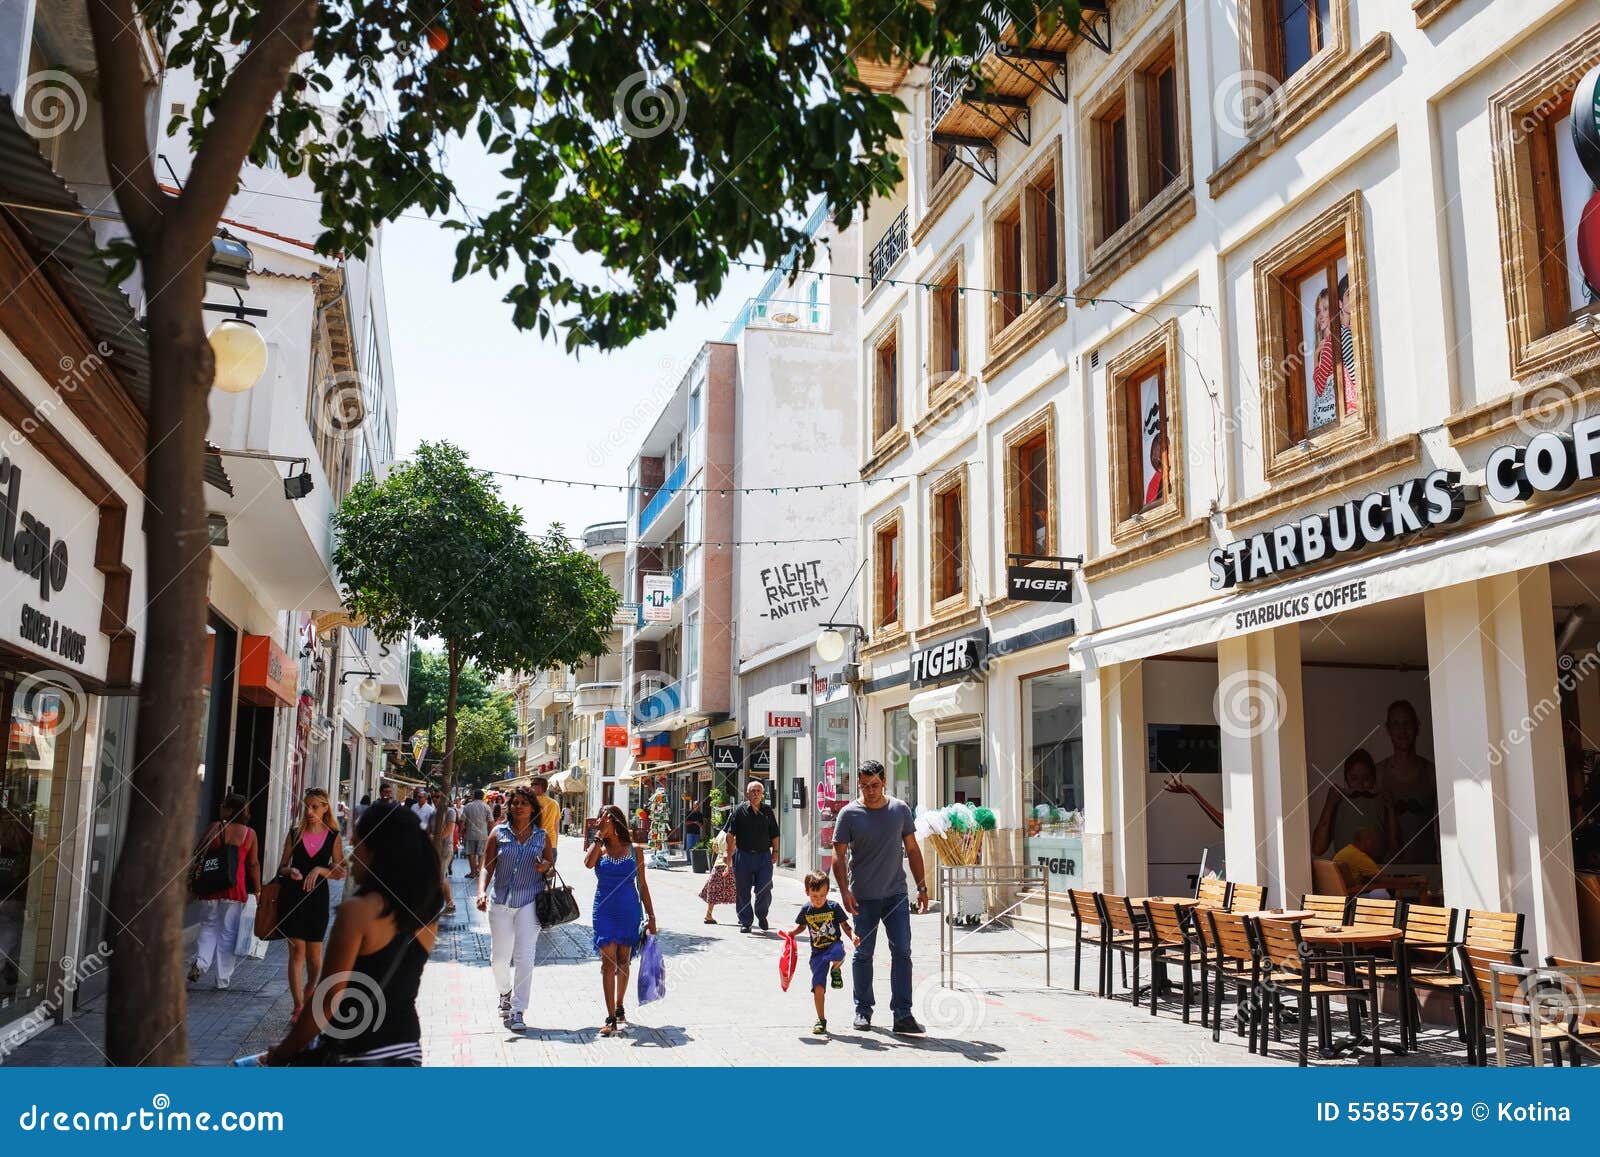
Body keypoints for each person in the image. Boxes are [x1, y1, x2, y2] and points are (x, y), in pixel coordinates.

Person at [262, 801, 444, 1065]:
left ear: (378, 853)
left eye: (357, 845)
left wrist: (282, 1052)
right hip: (407, 1050)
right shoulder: (426, 912)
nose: (351, 855)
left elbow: (327, 999)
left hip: (357, 1052)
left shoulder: (357, 912)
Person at [831, 759, 928, 1035]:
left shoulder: (899, 810)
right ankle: (863, 1011)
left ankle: (903, 1014)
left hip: (896, 895)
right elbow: (838, 855)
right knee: (863, 954)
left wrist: (921, 886)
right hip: (863, 898)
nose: (870, 791)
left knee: (902, 952)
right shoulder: (849, 814)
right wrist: (844, 891)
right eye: (864, 786)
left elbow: (912, 849)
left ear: (884, 781)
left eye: (874, 785)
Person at [476, 786, 550, 1031]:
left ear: (532, 809)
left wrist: (545, 868)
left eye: (523, 803)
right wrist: (481, 892)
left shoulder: (542, 837)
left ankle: (518, 1010)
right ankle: (504, 992)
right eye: (514, 803)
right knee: (499, 959)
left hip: (530, 901)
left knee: (525, 957)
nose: (517, 806)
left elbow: (550, 866)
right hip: (500, 902)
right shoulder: (498, 833)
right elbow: (487, 867)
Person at [273, 788, 346, 1023]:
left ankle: (311, 987)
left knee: (315, 957)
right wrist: (290, 870)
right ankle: (297, 1007)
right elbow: (281, 867)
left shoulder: (333, 835)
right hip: (293, 898)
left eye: (315, 806)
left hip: (317, 899)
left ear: (325, 808)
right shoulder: (294, 834)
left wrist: (320, 869)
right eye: (307, 806)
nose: (309, 811)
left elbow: (340, 871)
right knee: (297, 953)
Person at [586, 804, 657, 1037]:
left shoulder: (634, 849)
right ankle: (609, 1018)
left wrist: (651, 916)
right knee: (607, 963)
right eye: (599, 820)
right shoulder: (598, 849)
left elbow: (643, 885)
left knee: (623, 959)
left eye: (605, 820)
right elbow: (587, 864)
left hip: (629, 909)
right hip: (604, 909)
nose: (600, 823)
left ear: (616, 822)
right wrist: (598, 836)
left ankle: (619, 1005)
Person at [189, 792, 261, 990]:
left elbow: (197, 853)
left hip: (211, 886)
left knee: (208, 925)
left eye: (223, 804)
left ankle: (201, 963)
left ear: (229, 809)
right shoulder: (249, 834)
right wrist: (257, 889)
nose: (220, 806)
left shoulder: (214, 827)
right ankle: (222, 980)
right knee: (228, 933)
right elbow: (253, 864)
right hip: (234, 889)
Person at [785, 870, 860, 1036]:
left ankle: (835, 969)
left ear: (827, 893)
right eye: (814, 896)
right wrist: (793, 933)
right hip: (817, 954)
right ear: (807, 892)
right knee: (818, 987)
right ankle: (821, 1019)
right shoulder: (806, 910)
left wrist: (853, 936)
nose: (818, 900)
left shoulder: (833, 907)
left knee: (839, 952)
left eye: (822, 896)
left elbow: (845, 926)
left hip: (833, 946)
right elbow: (802, 927)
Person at [1375, 699, 1438, 862]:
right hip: (1389, 874)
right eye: (1396, 724)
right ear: (1388, 729)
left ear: (1417, 726)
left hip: (1427, 871)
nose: (1402, 730)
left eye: (1407, 723)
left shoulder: (1432, 772)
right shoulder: (1378, 773)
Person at [1312, 748, 1399, 859]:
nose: (1360, 785)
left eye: (1366, 778)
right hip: (1344, 871)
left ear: (1374, 779)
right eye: (1354, 778)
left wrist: (1390, 808)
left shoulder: (1382, 802)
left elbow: (1396, 850)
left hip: (1375, 870)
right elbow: (1318, 848)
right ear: (1346, 779)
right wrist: (1329, 804)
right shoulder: (1337, 801)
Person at [722, 781, 779, 933]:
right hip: (743, 856)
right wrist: (728, 856)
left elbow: (775, 834)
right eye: (752, 791)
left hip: (763, 856)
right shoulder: (739, 811)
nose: (755, 793)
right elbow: (730, 834)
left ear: (762, 794)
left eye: (758, 791)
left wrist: (776, 852)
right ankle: (746, 921)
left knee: (765, 888)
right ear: (747, 794)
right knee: (743, 890)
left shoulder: (767, 811)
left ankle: (762, 915)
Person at [1333, 827, 1428, 899]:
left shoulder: (1347, 851)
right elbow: (1383, 880)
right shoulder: (1358, 857)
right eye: (1374, 841)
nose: (1376, 845)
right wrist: (1413, 880)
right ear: (1367, 841)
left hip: (1344, 894)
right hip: (1352, 896)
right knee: (1382, 893)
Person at [461, 789, 493, 879]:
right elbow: (491, 822)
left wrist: (461, 831)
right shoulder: (486, 807)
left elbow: (462, 821)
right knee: (481, 853)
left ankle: (473, 872)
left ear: (474, 796)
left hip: (470, 834)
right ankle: (479, 871)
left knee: (471, 853)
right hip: (483, 834)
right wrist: (491, 834)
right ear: (483, 797)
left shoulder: (467, 806)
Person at [529, 775, 561, 858]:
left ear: (540, 786)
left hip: (533, 844)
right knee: (548, 870)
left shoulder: (530, 802)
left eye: (533, 784)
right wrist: (555, 845)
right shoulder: (554, 804)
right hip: (551, 843)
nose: (531, 786)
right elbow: (556, 827)